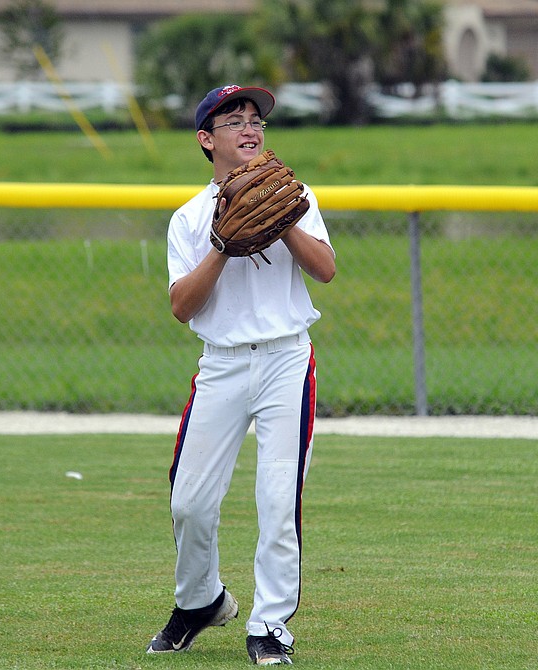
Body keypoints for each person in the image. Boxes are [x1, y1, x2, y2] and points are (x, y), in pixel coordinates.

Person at [146, 84, 335, 666]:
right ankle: (200, 600)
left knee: (278, 498)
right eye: (233, 120)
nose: (250, 128)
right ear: (207, 140)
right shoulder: (190, 217)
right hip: (222, 364)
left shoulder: (294, 195)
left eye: (256, 119)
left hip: (285, 359)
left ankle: (270, 624)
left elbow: (325, 270)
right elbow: (183, 307)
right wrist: (224, 245)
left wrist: (282, 220)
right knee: (190, 502)